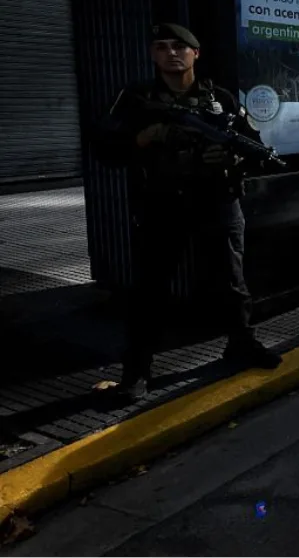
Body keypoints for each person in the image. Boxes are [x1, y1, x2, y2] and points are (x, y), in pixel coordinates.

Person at [99, 23, 282, 401]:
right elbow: (105, 149)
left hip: (217, 200)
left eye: (180, 46)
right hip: (161, 205)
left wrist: (230, 155)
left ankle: (241, 344)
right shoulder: (136, 98)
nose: (172, 53)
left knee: (233, 283)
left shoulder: (221, 99)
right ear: (153, 54)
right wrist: (144, 137)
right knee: (149, 291)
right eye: (162, 47)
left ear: (195, 53)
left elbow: (253, 144)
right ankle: (136, 372)